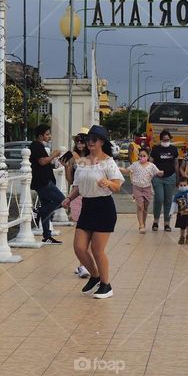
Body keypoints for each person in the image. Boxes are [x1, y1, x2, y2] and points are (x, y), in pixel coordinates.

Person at [62, 124, 124, 299]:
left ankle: (106, 285)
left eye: (93, 139)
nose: (89, 142)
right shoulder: (83, 162)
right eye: (87, 139)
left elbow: (118, 185)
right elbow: (78, 186)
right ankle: (95, 276)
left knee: (97, 250)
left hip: (103, 206)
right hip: (87, 206)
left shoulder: (108, 162)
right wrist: (69, 198)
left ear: (102, 142)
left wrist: (108, 183)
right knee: (79, 248)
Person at [30, 124, 64, 244]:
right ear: (40, 136)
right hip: (43, 182)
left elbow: (45, 162)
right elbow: (42, 161)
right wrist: (53, 155)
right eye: (47, 134)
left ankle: (47, 236)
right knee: (62, 200)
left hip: (45, 181)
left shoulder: (40, 146)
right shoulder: (36, 146)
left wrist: (53, 160)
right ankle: (39, 211)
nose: (49, 136)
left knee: (47, 208)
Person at [64, 134, 90, 274]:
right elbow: (70, 180)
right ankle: (83, 264)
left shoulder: (91, 156)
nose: (79, 144)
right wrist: (67, 167)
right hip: (76, 194)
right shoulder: (71, 156)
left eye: (82, 141)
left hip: (89, 194)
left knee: (86, 230)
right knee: (81, 229)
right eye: (77, 141)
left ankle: (84, 265)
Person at [149, 129, 179, 232]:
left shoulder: (174, 149)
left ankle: (167, 223)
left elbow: (176, 164)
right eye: (164, 140)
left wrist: (178, 177)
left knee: (168, 200)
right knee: (159, 198)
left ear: (170, 139)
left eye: (167, 140)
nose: (166, 141)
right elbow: (150, 163)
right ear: (161, 139)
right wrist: (151, 175)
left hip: (170, 177)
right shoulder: (156, 149)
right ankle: (156, 221)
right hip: (157, 177)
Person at [127, 147, 159, 233]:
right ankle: (141, 225)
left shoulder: (151, 166)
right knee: (140, 206)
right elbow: (127, 170)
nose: (142, 157)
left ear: (148, 156)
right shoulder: (135, 164)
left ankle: (143, 223)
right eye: (140, 156)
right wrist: (118, 169)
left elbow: (157, 172)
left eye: (144, 155)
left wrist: (161, 172)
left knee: (145, 206)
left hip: (147, 188)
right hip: (137, 187)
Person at [172, 175, 188, 243]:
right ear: (178, 185)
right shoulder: (177, 195)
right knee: (182, 226)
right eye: (181, 185)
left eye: (184, 185)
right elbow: (174, 203)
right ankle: (182, 237)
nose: (183, 187)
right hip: (181, 213)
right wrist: (171, 211)